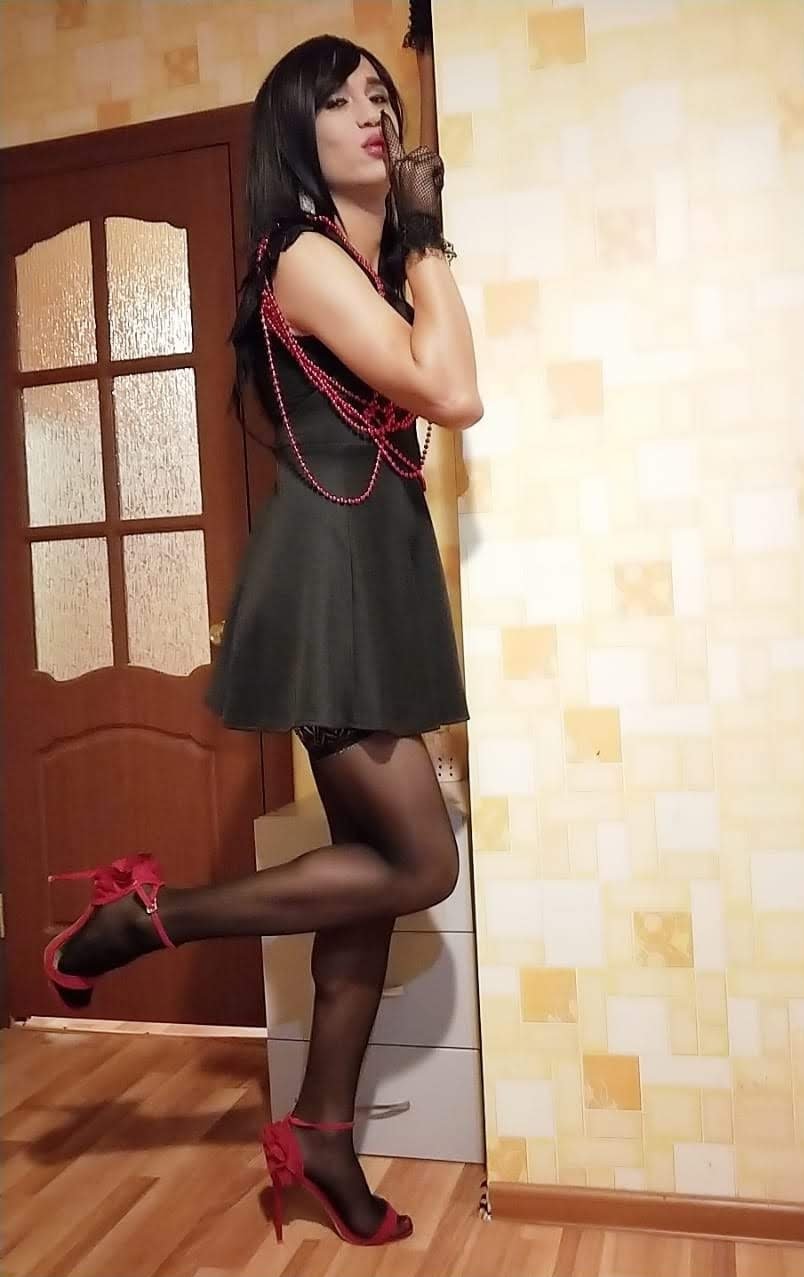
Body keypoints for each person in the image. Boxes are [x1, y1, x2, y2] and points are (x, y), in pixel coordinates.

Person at [42, 20, 481, 1251]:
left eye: (382, 94)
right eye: (342, 99)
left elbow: (425, 384)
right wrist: (426, 237)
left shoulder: (361, 262)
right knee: (421, 863)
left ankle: (321, 1137)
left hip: (372, 568)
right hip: (332, 580)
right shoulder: (301, 254)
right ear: (295, 130)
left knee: (370, 878)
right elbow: (453, 390)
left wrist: (406, 242)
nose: (373, 112)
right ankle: (146, 914)